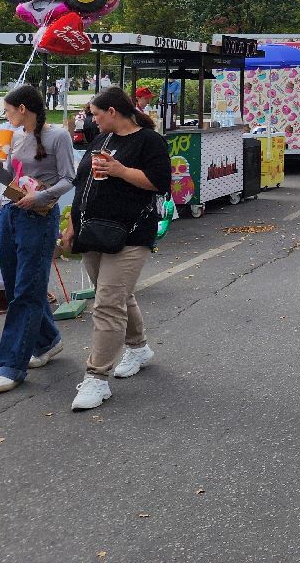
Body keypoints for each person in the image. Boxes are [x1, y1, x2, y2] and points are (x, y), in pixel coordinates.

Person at [63, 87, 171, 411]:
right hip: (93, 232)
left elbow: (160, 182)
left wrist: (120, 171)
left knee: (107, 303)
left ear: (113, 111)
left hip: (131, 234)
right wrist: (72, 224)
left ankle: (97, 379)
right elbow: (83, 184)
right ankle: (138, 347)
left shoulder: (149, 141)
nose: (92, 120)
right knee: (116, 296)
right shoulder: (100, 140)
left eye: (96, 114)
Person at [0, 85, 78, 394]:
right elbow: (11, 178)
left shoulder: (58, 136)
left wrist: (41, 195)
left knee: (26, 290)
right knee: (17, 288)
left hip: (38, 218)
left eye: (9, 110)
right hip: (12, 214)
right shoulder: (14, 138)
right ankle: (48, 340)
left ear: (23, 108)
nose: (6, 115)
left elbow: (68, 178)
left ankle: (11, 366)